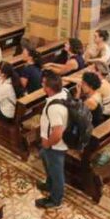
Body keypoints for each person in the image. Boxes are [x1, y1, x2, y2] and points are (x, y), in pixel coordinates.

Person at [36, 73, 67, 209]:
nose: (42, 85)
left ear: (49, 88)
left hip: (56, 146)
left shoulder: (55, 108)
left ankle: (55, 200)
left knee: (56, 171)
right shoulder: (64, 93)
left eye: (43, 83)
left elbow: (58, 133)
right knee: (45, 157)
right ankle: (49, 184)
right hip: (50, 145)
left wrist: (48, 143)